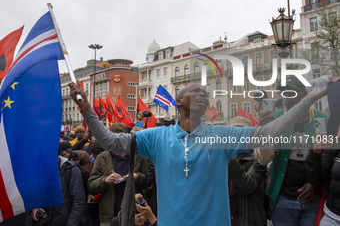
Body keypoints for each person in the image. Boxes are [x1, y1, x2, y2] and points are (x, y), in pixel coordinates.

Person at [69, 80, 328, 226]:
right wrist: (85, 109)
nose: (203, 95)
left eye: (205, 94)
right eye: (195, 92)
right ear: (179, 101)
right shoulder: (158, 136)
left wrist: (307, 101)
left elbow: (267, 133)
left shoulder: (221, 135)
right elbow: (113, 142)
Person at [255, 76, 329, 226]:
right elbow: (263, 160)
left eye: (291, 93)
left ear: (305, 93)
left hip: (312, 199)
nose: (285, 98)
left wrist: (316, 184)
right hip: (283, 199)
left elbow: (329, 159)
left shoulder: (323, 120)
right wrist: (265, 135)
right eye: (283, 93)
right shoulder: (275, 118)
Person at [88, 123, 148, 226]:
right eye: (115, 139)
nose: (119, 142)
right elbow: (91, 185)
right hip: (109, 216)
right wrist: (105, 180)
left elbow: (149, 181)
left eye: (122, 138)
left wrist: (136, 177)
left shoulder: (139, 156)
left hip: (135, 215)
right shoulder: (103, 158)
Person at [228, 116, 267, 226]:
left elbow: (249, 185)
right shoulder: (221, 155)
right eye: (233, 131)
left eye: (241, 131)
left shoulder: (258, 157)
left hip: (248, 219)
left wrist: (230, 161)